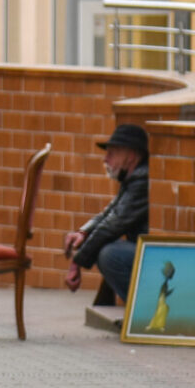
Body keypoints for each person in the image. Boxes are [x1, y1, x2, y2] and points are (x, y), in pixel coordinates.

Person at [63, 123, 150, 306]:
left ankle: (143, 311)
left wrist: (77, 262)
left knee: (110, 255)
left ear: (130, 156)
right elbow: (109, 212)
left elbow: (113, 225)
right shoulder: (133, 178)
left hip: (157, 255)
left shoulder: (142, 180)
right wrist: (83, 232)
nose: (105, 159)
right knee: (103, 245)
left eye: (112, 153)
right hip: (148, 251)